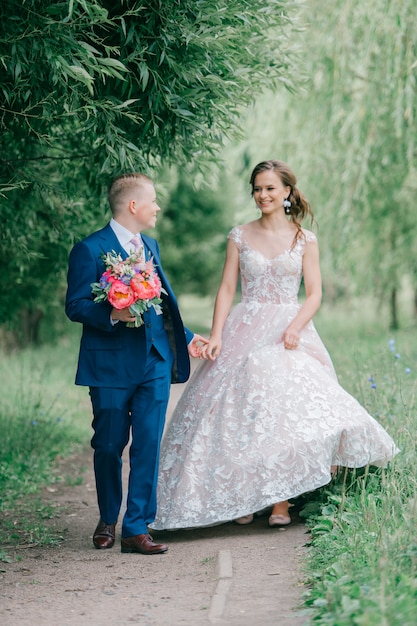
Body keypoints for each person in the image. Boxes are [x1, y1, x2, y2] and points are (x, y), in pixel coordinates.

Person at [151, 159, 399, 531]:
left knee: (282, 409)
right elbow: (226, 289)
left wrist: (296, 326)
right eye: (257, 188)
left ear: (286, 191)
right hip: (245, 326)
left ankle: (280, 501)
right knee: (239, 411)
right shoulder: (239, 235)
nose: (262, 195)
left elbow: (314, 294)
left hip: (287, 329)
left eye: (269, 188)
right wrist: (217, 334)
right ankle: (243, 495)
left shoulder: (304, 239)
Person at [65, 173, 207, 554]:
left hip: (154, 361)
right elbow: (76, 305)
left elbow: (160, 304)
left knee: (148, 444)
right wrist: (113, 313)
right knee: (109, 444)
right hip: (109, 365)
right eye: (153, 200)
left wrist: (189, 337)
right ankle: (108, 517)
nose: (158, 206)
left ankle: (137, 526)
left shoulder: (151, 246)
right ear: (133, 205)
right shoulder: (89, 249)